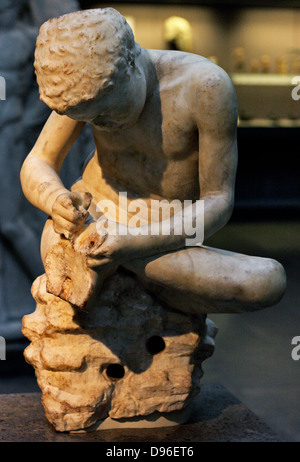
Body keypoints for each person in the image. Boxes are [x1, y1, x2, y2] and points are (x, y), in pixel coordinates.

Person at [21, 8, 286, 314]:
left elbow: (218, 200)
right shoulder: (83, 84)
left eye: (104, 114)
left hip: (164, 236)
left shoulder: (205, 87)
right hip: (92, 225)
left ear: (130, 63)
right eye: (90, 119)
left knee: (266, 281)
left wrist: (133, 242)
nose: (98, 124)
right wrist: (57, 200)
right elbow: (38, 161)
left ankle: (116, 272)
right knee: (61, 238)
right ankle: (141, 281)